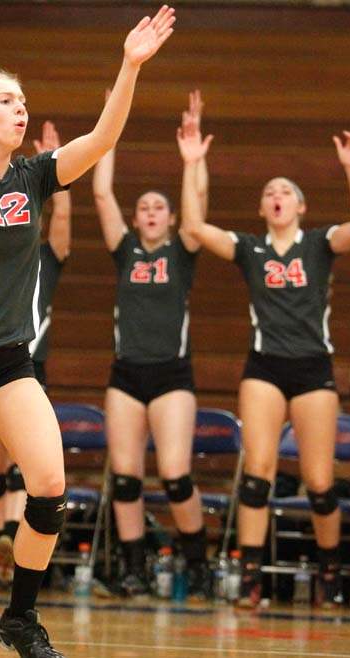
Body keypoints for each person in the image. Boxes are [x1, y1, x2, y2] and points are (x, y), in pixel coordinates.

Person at [0, 10, 175, 658]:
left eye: (23, 101)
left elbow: (103, 139)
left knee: (50, 488)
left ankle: (20, 619)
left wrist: (130, 66)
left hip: (7, 359)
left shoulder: (32, 177)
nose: (19, 109)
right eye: (5, 100)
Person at [179, 125, 350, 608]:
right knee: (258, 475)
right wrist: (191, 163)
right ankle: (250, 579)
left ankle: (329, 572)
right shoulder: (250, 248)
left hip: (312, 370)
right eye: (270, 193)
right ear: (263, 210)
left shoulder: (319, 243)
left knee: (320, 481)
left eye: (286, 191)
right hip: (264, 366)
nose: (277, 196)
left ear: (300, 207)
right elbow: (195, 229)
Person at [92, 90, 210, 598]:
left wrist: (192, 163)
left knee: (176, 475)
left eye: (159, 206)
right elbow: (100, 194)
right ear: (137, 220)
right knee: (125, 477)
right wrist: (110, 132)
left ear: (169, 217)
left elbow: (197, 209)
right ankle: (134, 567)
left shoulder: (184, 250)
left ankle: (198, 563)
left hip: (171, 374)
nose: (151, 211)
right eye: (144, 207)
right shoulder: (125, 250)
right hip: (126, 374)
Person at [0, 119, 71, 593]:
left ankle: (11, 541)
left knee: (22, 466)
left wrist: (58, 176)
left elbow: (61, 230)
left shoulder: (46, 259)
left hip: (26, 369)